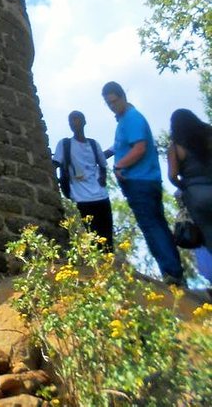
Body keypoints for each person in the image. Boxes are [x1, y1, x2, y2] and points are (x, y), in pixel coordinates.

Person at [101, 81, 184, 285]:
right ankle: (172, 271)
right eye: (107, 104)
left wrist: (119, 166)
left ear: (122, 96)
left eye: (113, 101)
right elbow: (123, 145)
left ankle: (172, 273)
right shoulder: (125, 120)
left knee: (152, 227)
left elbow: (140, 148)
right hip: (144, 182)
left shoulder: (132, 118)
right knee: (157, 226)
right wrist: (108, 154)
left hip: (141, 182)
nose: (111, 106)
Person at [53, 111, 113, 250]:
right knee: (93, 233)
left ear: (84, 121)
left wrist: (103, 177)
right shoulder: (65, 144)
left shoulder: (93, 144)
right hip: (82, 197)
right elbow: (55, 163)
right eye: (71, 120)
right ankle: (99, 263)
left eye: (77, 119)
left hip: (101, 195)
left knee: (107, 234)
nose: (74, 122)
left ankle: (110, 261)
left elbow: (103, 164)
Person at [168, 108, 212, 252]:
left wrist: (184, 186)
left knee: (208, 234)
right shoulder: (209, 135)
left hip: (196, 196)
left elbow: (172, 176)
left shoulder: (175, 147)